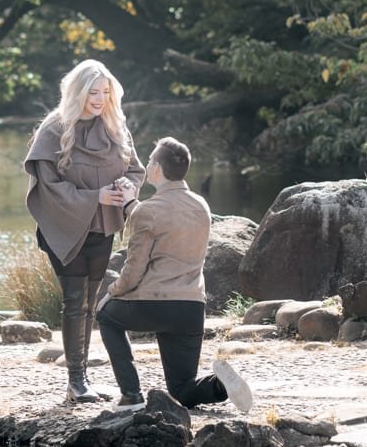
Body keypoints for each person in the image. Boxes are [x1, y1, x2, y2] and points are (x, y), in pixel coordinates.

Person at [95, 137, 254, 413]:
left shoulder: (148, 211)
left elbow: (133, 271)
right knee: (182, 390)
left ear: (156, 169)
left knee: (106, 316)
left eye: (148, 162)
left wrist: (111, 293)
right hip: (191, 308)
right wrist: (132, 205)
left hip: (155, 305)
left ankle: (131, 395)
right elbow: (164, 220)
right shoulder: (201, 205)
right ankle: (220, 386)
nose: (146, 165)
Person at [24, 60, 145, 403]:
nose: (99, 99)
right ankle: (75, 382)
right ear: (78, 92)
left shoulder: (115, 126)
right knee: (75, 302)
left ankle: (83, 380)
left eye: (105, 92)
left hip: (103, 227)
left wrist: (127, 188)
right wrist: (96, 197)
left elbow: (135, 170)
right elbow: (48, 187)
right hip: (65, 228)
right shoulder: (54, 129)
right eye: (93, 92)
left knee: (91, 303)